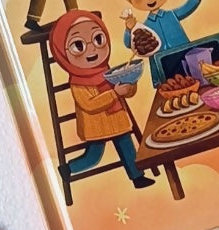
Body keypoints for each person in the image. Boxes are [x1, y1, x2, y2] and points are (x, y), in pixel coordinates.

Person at [48, 10, 154, 189]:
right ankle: (68, 169)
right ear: (63, 54)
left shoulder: (108, 72)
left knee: (128, 148)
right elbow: (89, 104)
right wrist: (114, 94)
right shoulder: (77, 83)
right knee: (94, 157)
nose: (92, 49)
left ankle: (137, 177)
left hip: (117, 120)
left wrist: (130, 84)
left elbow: (126, 93)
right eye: (78, 46)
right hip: (96, 126)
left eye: (98, 39)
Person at [116, 0, 206, 85]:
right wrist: (129, 29)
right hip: (161, 66)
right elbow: (129, 43)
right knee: (168, 87)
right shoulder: (144, 28)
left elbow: (185, 9)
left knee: (193, 80)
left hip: (184, 57)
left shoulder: (171, 15)